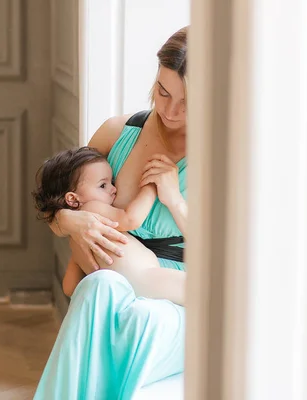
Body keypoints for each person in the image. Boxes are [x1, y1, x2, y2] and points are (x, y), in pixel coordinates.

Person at [33, 26, 189, 400]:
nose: (169, 110)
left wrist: (174, 199)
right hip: (114, 279)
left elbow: (232, 259)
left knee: (141, 319)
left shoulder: (225, 153)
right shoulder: (118, 131)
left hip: (184, 290)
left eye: (187, 101)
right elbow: (62, 200)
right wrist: (72, 220)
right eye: (163, 91)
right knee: (100, 286)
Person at [32, 146, 185, 304]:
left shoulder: (77, 240)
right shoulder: (91, 208)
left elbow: (69, 287)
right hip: (148, 279)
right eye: (103, 185)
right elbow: (130, 219)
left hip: (125, 295)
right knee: (202, 290)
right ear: (73, 199)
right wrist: (151, 186)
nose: (113, 189)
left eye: (111, 182)